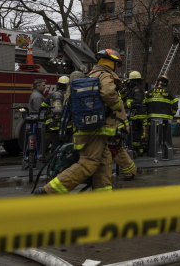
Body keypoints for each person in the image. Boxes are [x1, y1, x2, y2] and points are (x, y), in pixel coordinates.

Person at [37, 49, 127, 194]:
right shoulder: (105, 75)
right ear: (113, 63)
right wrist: (118, 106)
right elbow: (108, 93)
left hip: (90, 127)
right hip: (97, 128)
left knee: (103, 164)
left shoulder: (90, 75)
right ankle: (50, 190)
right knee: (88, 163)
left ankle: (102, 200)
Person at [44, 76, 72, 152]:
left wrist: (47, 123)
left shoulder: (51, 95)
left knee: (55, 145)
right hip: (67, 126)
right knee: (67, 146)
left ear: (58, 84)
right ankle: (65, 162)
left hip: (54, 125)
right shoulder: (70, 96)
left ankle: (54, 162)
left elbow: (43, 108)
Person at [125, 71, 146, 156]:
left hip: (137, 116)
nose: (129, 82)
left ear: (134, 81)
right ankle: (139, 151)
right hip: (134, 115)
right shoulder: (133, 88)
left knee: (135, 135)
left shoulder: (137, 89)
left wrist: (127, 105)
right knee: (136, 134)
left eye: (131, 81)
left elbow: (138, 101)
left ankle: (136, 151)